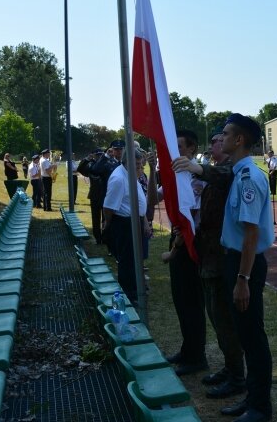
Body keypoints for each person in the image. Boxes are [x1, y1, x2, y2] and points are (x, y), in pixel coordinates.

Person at [174, 128, 247, 400]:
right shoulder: (215, 169)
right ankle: (230, 369)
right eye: (217, 139)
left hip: (221, 255)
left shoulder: (230, 169)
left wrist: (197, 168)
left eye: (218, 139)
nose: (216, 142)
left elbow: (219, 176)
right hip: (209, 254)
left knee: (225, 320)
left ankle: (238, 376)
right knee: (216, 317)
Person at [217, 113, 274, 422]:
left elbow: (251, 234)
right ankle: (252, 399)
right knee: (246, 334)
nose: (221, 138)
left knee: (253, 337)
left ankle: (260, 408)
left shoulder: (249, 178)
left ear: (239, 140)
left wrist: (242, 279)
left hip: (244, 265)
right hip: (237, 262)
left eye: (225, 134)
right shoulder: (240, 173)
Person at [161, 129, 208, 376]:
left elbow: (192, 221)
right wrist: (148, 172)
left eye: (180, 147)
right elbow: (153, 201)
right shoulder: (177, 175)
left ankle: (197, 356)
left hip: (189, 245)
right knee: (181, 301)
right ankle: (187, 349)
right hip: (179, 241)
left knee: (191, 303)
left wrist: (173, 250)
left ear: (191, 149)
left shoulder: (197, 178)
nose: (175, 151)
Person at [102, 149, 150, 303]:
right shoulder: (119, 178)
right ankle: (129, 294)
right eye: (137, 165)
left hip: (135, 221)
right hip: (124, 224)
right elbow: (109, 207)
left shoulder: (130, 173)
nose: (140, 168)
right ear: (126, 162)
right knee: (127, 260)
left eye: (141, 165)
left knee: (136, 258)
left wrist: (144, 221)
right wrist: (108, 224)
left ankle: (135, 287)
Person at [90, 141, 124, 244]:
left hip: (123, 198)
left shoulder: (127, 162)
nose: (118, 152)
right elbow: (95, 170)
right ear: (112, 150)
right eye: (116, 149)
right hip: (109, 197)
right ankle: (107, 242)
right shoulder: (107, 163)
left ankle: (115, 242)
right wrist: (105, 156)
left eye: (120, 149)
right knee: (108, 221)